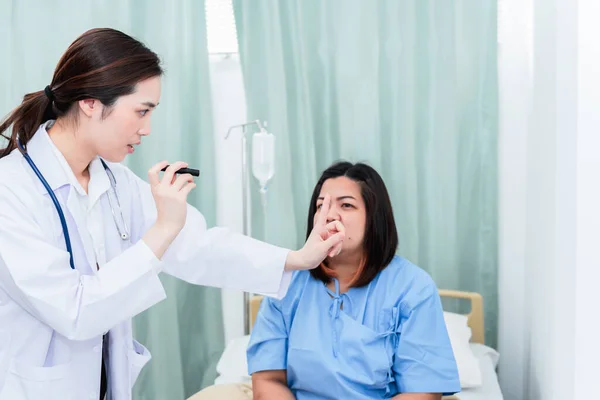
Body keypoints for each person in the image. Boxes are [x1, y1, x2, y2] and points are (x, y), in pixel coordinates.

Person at [0, 28, 344, 400]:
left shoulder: (114, 182)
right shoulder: (12, 190)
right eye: (141, 111)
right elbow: (76, 311)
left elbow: (198, 246)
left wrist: (295, 258)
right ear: (91, 103)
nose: (146, 129)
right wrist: (163, 228)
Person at [246, 161, 461, 399]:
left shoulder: (413, 288)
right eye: (321, 205)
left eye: (346, 205)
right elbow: (268, 380)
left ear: (374, 217)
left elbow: (422, 392)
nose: (329, 215)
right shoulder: (287, 282)